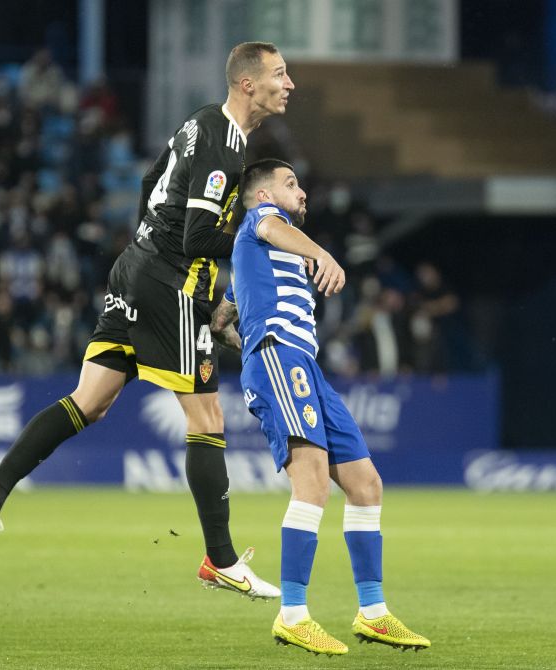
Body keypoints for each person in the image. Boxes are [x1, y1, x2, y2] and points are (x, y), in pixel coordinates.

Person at [0, 43, 294, 602]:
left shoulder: (198, 125)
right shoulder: (224, 146)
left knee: (91, 400)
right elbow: (196, 239)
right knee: (207, 416)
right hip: (167, 283)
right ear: (247, 85)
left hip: (134, 270)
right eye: (280, 74)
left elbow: (148, 181)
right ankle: (221, 560)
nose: (290, 83)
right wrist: (257, 242)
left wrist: (145, 250)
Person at [213, 159, 430, 655]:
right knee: (311, 484)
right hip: (280, 356)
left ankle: (373, 613)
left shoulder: (268, 252)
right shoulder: (264, 223)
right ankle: (293, 614)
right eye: (291, 184)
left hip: (305, 367)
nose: (303, 191)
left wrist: (228, 322)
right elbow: (266, 224)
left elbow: (222, 317)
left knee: (366, 484)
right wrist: (323, 254)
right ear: (264, 194)